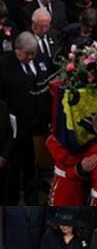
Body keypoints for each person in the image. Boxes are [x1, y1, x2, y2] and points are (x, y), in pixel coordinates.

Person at [0, 32, 49, 204]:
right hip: (13, 128)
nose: (31, 57)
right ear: (17, 49)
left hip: (34, 124)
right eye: (27, 54)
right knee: (13, 169)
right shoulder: (4, 65)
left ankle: (32, 198)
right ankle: (11, 201)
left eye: (33, 54)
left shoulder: (38, 58)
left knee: (31, 165)